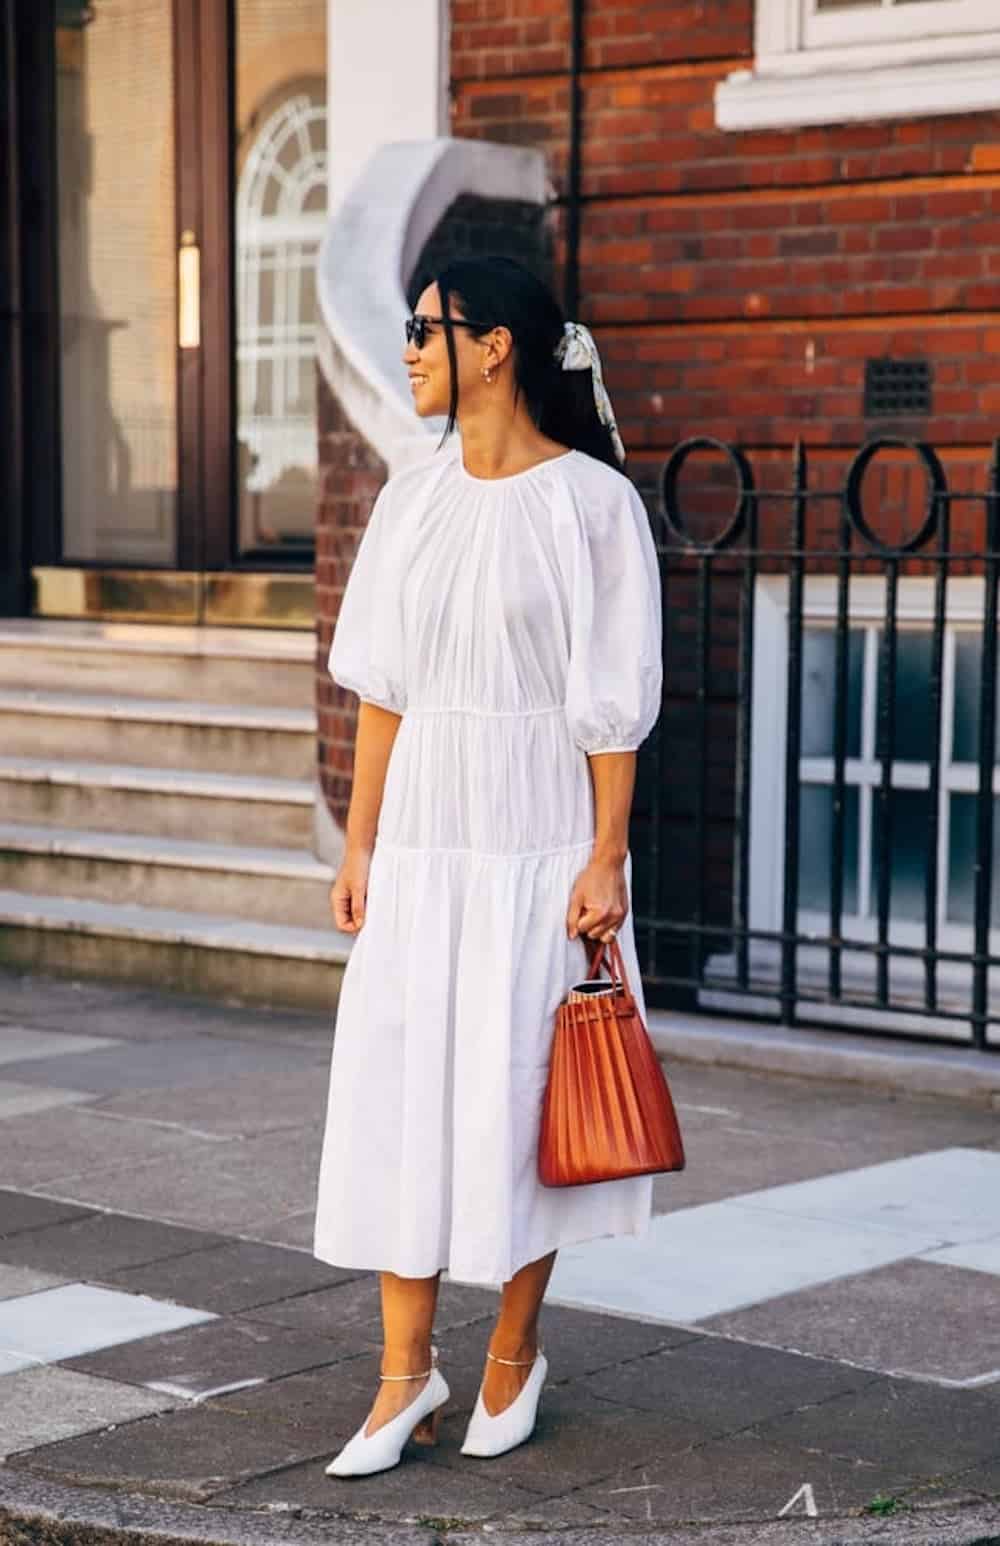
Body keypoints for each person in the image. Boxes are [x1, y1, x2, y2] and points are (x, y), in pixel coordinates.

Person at [313, 254, 663, 1478]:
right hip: (423, 842)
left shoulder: (592, 506)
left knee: (525, 1103)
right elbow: (383, 694)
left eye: (425, 327)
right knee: (406, 1092)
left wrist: (605, 856)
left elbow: (610, 705)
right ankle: (404, 1376)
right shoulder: (408, 504)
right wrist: (360, 844)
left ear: (495, 343)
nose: (408, 347)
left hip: (539, 847)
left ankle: (512, 1353)